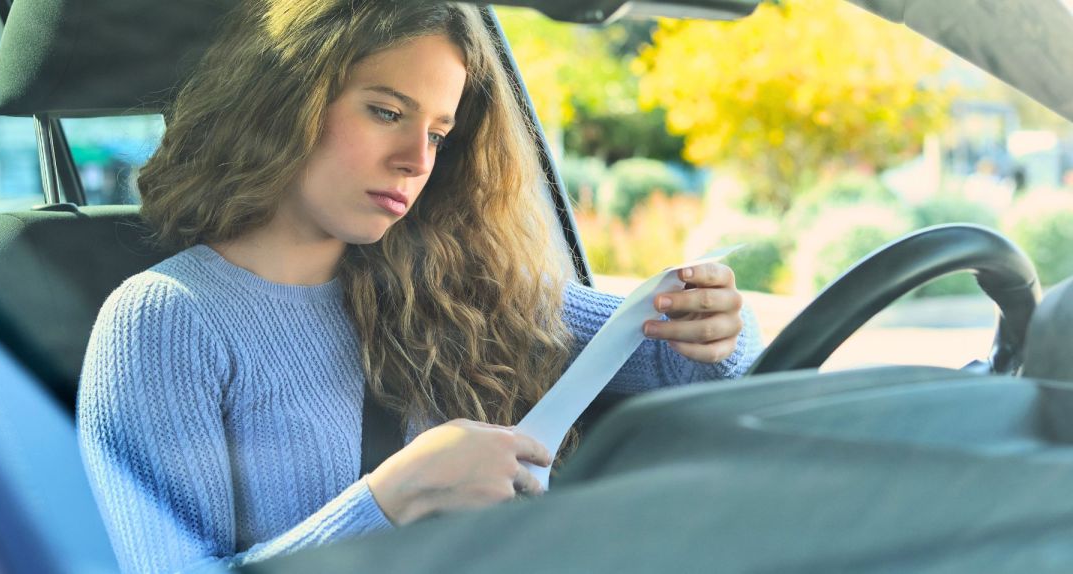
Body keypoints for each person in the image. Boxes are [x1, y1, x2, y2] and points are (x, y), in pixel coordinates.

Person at [77, 1, 761, 573]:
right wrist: (392, 499)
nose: (415, 161)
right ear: (283, 100)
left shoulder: (451, 282)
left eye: (439, 132)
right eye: (385, 112)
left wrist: (718, 324)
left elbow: (670, 350)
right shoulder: (166, 321)